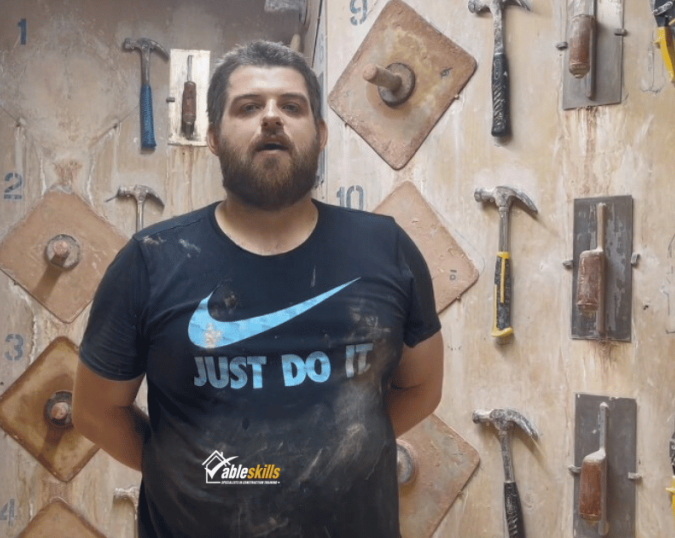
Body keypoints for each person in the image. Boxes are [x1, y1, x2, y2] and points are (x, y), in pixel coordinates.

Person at [73, 40, 444, 538]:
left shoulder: (386, 248)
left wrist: (343, 457)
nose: (272, 118)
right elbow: (96, 410)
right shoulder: (150, 260)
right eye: (248, 107)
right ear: (213, 138)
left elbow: (422, 386)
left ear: (321, 133)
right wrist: (181, 467)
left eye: (291, 106)